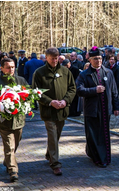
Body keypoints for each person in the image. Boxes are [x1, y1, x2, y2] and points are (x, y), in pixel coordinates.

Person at [0, 58, 28, 182]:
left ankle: (7, 160)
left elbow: (28, 96)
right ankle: (13, 170)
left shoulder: (21, 80)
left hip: (18, 120)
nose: (11, 69)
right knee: (9, 145)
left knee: (16, 143)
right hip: (3, 121)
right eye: (8, 67)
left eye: (13, 67)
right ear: (1, 68)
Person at [32, 47, 76, 175]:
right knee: (52, 134)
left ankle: (49, 154)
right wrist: (50, 102)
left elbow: (72, 88)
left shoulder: (65, 71)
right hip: (48, 110)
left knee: (57, 134)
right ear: (46, 58)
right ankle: (55, 164)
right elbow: (36, 92)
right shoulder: (39, 73)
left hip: (62, 110)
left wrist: (65, 101)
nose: (55, 61)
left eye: (56, 59)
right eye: (52, 59)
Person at [76, 46, 119, 168]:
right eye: (95, 59)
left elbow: (114, 90)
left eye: (100, 58)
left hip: (106, 109)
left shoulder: (108, 72)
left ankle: (104, 157)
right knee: (93, 134)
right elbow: (79, 90)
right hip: (92, 109)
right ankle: (96, 157)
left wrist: (116, 107)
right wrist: (94, 90)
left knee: (104, 134)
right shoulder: (84, 74)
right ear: (90, 60)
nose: (98, 61)